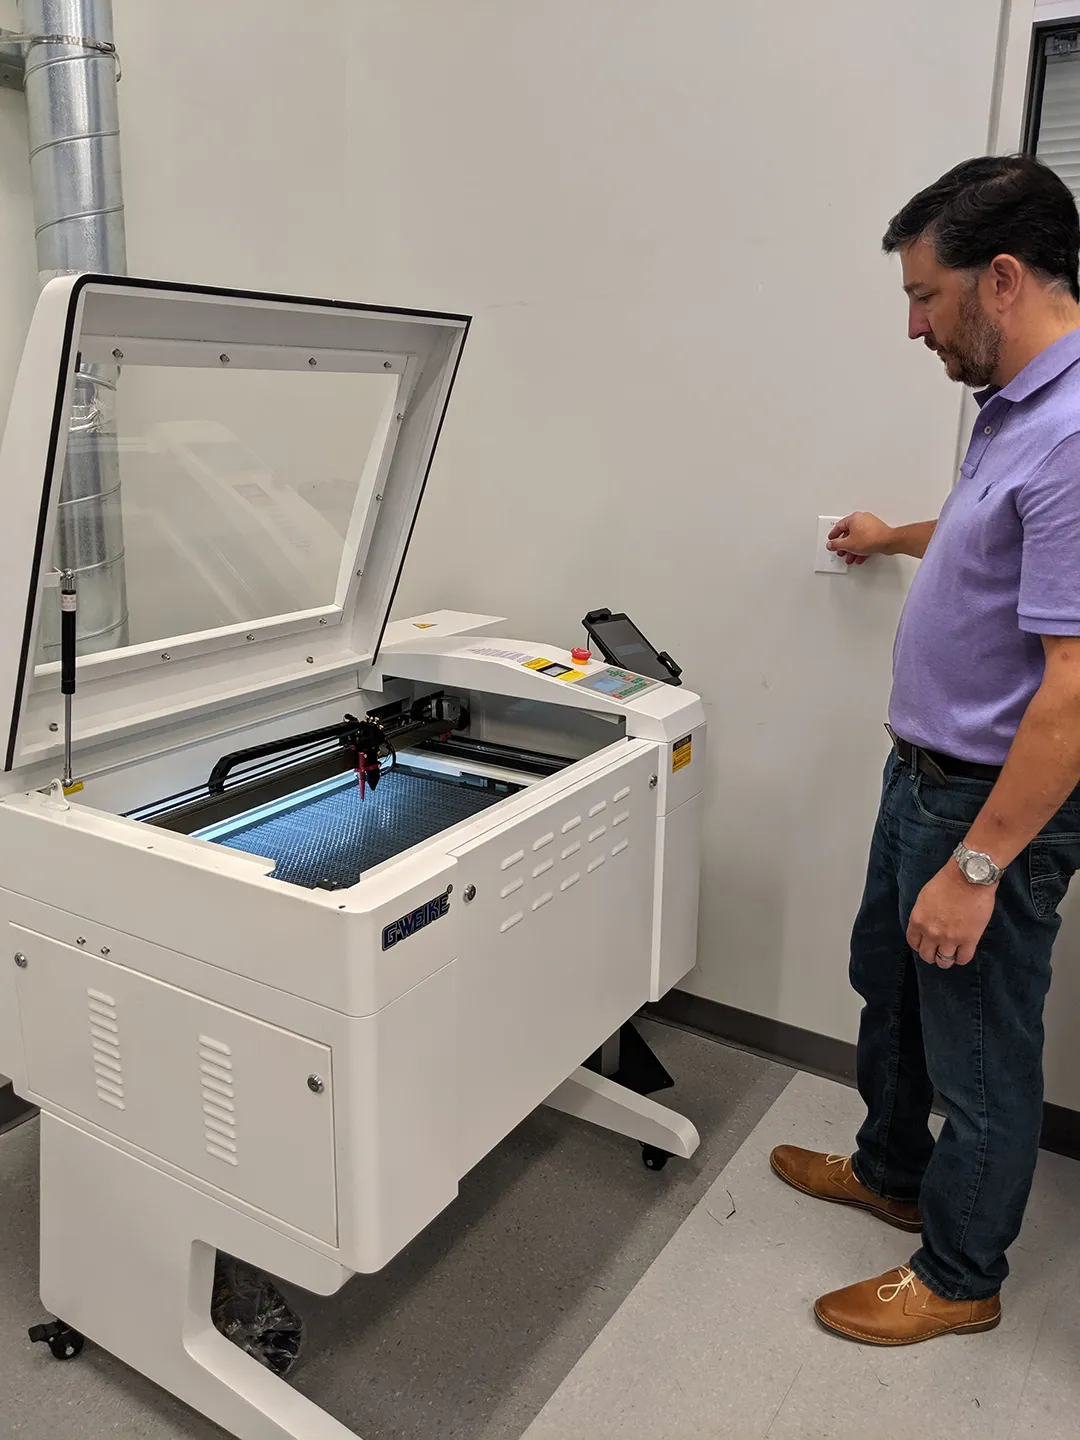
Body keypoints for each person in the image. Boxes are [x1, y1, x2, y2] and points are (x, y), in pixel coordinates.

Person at [770, 154, 1080, 1345]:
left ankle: (959, 1275)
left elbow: (1073, 687)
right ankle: (891, 1170)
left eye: (926, 295)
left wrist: (982, 864)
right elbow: (993, 542)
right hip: (925, 779)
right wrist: (894, 535)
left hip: (986, 809)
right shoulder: (1019, 410)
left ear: (1000, 279)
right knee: (890, 991)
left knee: (982, 1047)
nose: (914, 326)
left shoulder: (1072, 433)